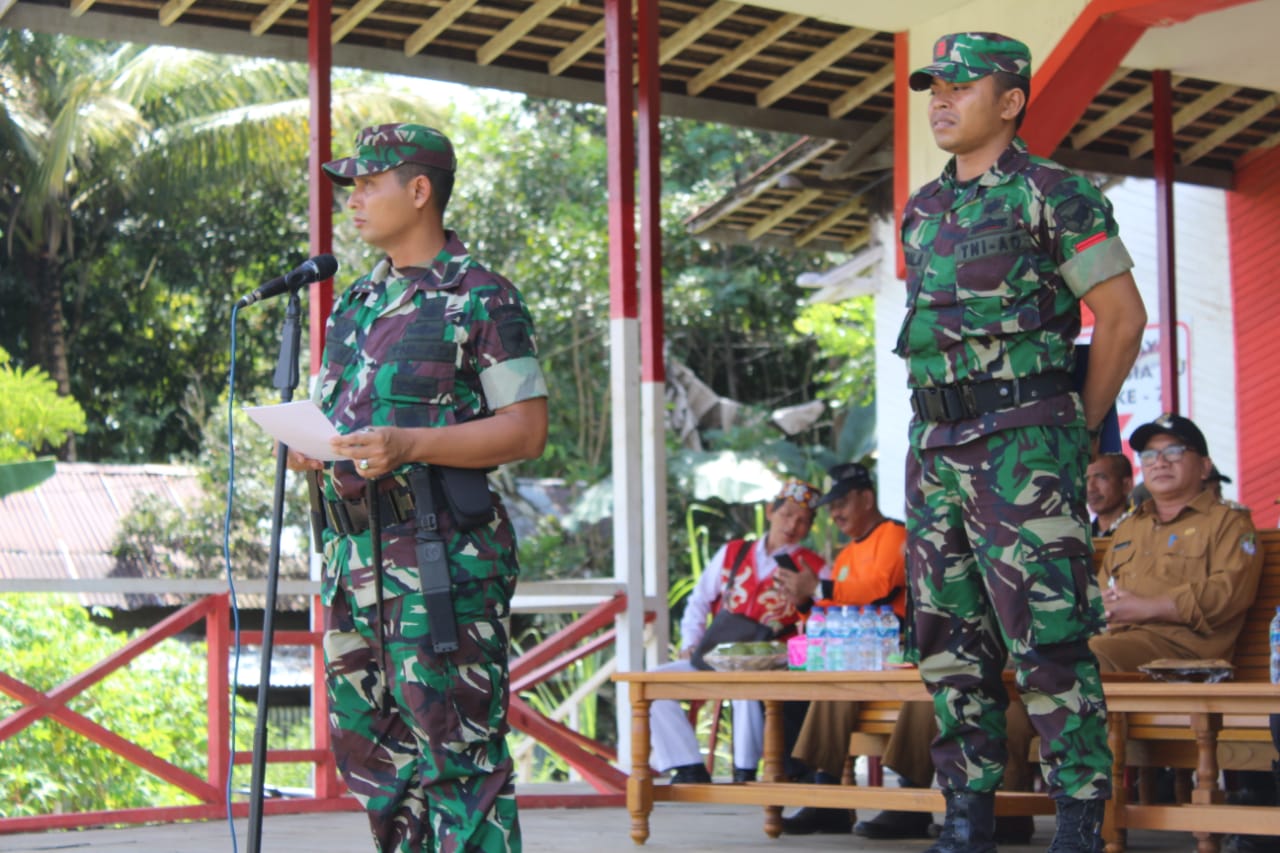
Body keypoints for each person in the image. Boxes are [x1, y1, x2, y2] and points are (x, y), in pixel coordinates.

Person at [894, 31, 1148, 853]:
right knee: (946, 642)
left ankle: (1077, 826)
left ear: (1010, 101)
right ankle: (965, 824)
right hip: (933, 444)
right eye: (934, 85)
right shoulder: (923, 211)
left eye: (961, 87)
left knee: (1047, 642)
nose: (940, 98)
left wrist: (1074, 425)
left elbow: (1122, 317)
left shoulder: (1056, 194)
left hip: (1022, 443)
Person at [286, 122, 549, 853]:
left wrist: (410, 445)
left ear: (420, 190)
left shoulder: (481, 298)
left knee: (457, 758)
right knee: (377, 764)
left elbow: (526, 429)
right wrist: (317, 450)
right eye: (353, 188)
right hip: (353, 560)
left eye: (370, 184)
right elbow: (346, 421)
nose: (355, 201)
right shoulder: (354, 304)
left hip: (442, 563)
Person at [861, 414, 1264, 846]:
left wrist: (1146, 607)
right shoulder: (1132, 526)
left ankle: (1004, 806)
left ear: (1204, 466)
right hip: (1117, 642)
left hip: (1179, 655)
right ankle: (943, 794)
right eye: (1150, 454)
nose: (1160, 462)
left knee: (1061, 664)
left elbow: (1228, 596)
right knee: (979, 662)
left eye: (1174, 452)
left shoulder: (1229, 523)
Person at [649, 478, 827, 784]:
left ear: (808, 529)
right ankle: (687, 764)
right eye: (786, 515)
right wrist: (690, 642)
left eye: (802, 521)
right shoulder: (734, 552)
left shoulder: (813, 567)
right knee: (654, 684)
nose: (792, 526)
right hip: (716, 655)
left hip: (772, 663)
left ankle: (745, 772)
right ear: (771, 511)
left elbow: (830, 610)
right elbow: (699, 600)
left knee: (746, 684)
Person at [770, 462, 907, 835]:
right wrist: (803, 599)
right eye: (831, 507)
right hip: (858, 657)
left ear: (867, 498)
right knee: (830, 690)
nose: (834, 513)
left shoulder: (895, 535)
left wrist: (817, 588)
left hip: (898, 654)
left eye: (842, 502)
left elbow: (879, 588)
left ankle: (910, 807)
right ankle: (826, 798)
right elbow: (829, 610)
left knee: (840, 687)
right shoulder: (846, 555)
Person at [1087, 453, 1133, 536]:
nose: (1090, 488)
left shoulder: (1142, 530)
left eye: (1101, 477)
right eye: (1086, 479)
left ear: (1126, 485)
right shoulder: (1082, 536)